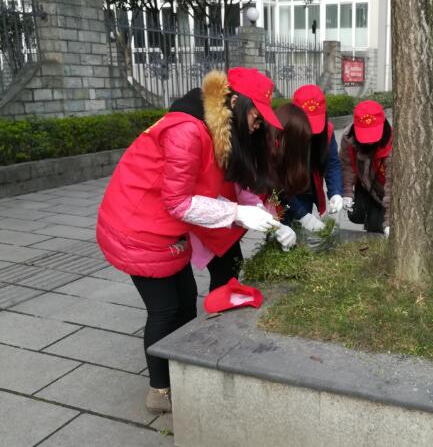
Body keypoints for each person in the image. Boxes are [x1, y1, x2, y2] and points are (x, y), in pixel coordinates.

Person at [96, 67, 297, 414]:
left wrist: (257, 214)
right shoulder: (188, 131)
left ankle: (182, 370)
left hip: (166, 229)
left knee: (186, 299)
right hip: (138, 228)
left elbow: (213, 188)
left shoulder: (216, 131)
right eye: (256, 116)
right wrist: (236, 213)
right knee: (164, 310)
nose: (257, 125)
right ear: (236, 102)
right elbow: (179, 201)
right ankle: (160, 391)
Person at [284, 84, 344, 232]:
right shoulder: (281, 134)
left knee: (302, 233)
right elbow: (276, 183)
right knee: (284, 230)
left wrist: (336, 192)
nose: (311, 131)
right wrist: (302, 215)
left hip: (307, 189)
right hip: (283, 192)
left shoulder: (326, 132)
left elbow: (332, 164)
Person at [339, 100, 392, 236]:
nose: (369, 141)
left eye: (373, 134)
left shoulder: (393, 144)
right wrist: (347, 193)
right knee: (356, 215)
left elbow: (392, 187)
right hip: (365, 185)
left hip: (385, 191)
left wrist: (389, 222)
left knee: (380, 227)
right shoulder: (348, 138)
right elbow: (347, 165)